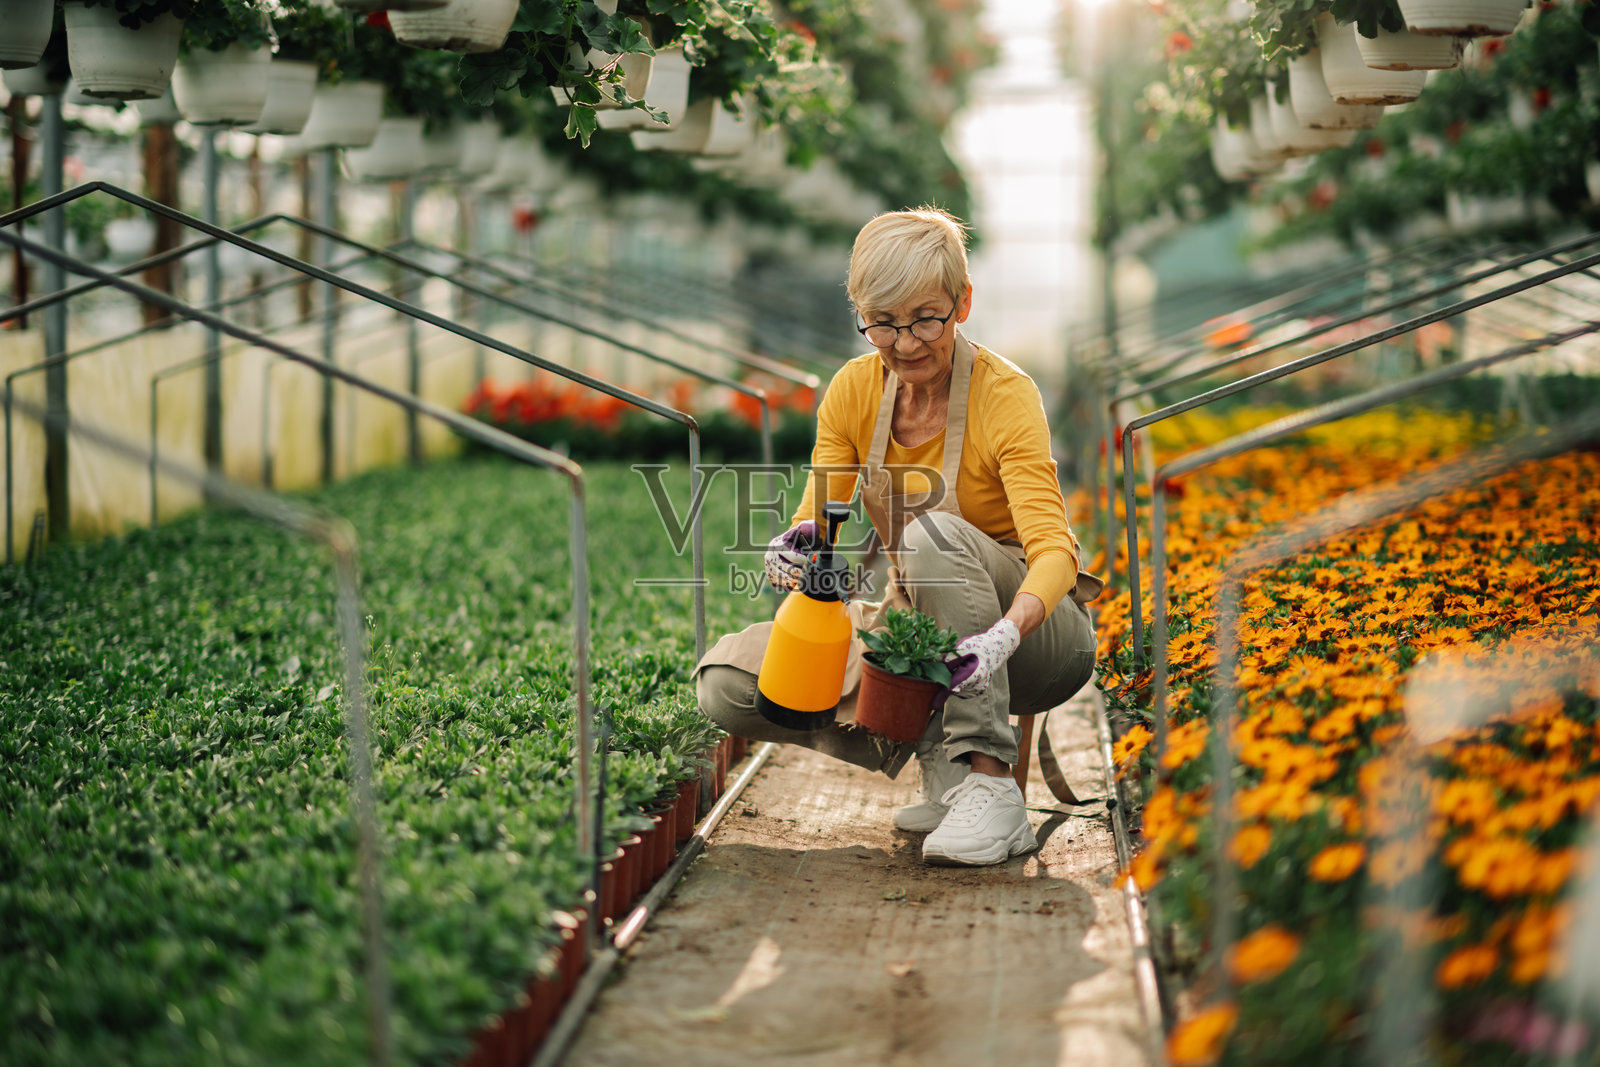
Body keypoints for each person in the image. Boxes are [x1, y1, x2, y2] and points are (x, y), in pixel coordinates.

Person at [694, 207, 1102, 867]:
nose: (905, 341)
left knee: (931, 537)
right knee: (728, 682)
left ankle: (994, 790)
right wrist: (797, 542)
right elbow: (819, 515)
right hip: (926, 627)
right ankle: (945, 767)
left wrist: (1003, 635)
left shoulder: (1006, 394)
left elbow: (1054, 551)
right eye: (882, 321)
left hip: (1038, 639)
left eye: (925, 318)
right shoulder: (854, 390)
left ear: (962, 302)